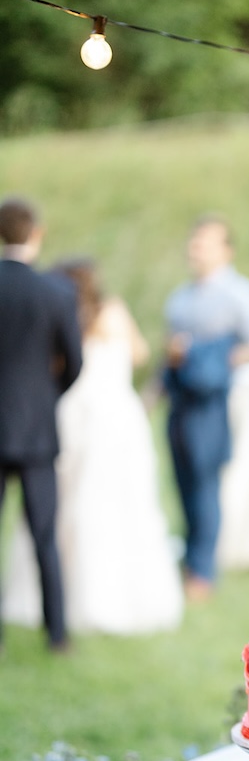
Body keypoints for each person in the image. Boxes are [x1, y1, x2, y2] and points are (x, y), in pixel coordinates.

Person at [4, 259, 184, 636]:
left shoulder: (64, 312)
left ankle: (67, 601)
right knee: (120, 505)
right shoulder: (112, 311)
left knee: (71, 508)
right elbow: (139, 353)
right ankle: (104, 600)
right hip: (118, 421)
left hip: (79, 418)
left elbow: (60, 364)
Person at [163, 215, 249, 601]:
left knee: (205, 485)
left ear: (226, 251)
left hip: (211, 403)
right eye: (193, 242)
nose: (195, 250)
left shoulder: (241, 295)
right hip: (180, 399)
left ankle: (202, 570)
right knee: (182, 483)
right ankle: (189, 558)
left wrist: (215, 357)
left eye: (205, 244)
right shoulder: (181, 297)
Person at [0, 197, 82, 652]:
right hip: (37, 431)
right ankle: (57, 634)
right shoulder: (56, 292)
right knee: (45, 536)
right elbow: (75, 362)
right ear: (36, 233)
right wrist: (48, 396)